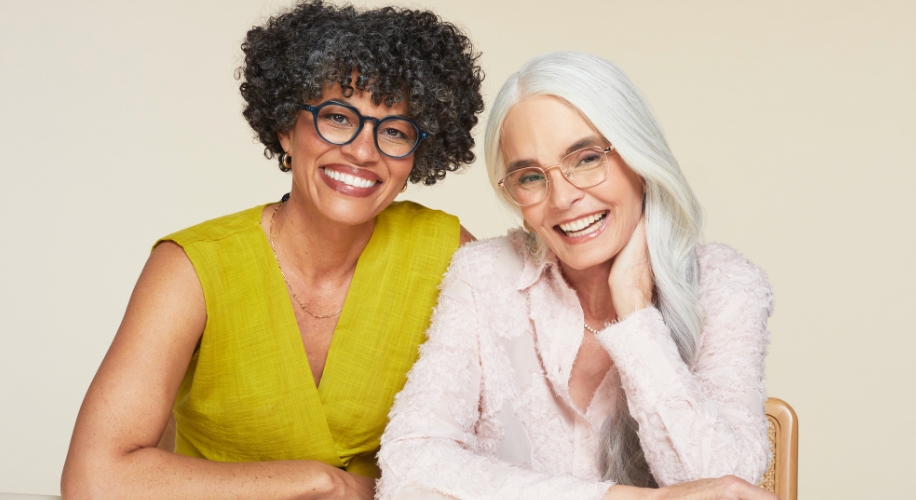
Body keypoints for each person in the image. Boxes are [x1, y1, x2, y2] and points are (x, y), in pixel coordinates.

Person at [60, 2, 483, 499]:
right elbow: (94, 478)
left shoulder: (449, 254)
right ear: (286, 127)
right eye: (337, 117)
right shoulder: (192, 267)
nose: (364, 152)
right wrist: (322, 484)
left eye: (393, 130)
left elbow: (507, 439)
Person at [377, 52, 779, 500]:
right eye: (530, 177)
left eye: (586, 158)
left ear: (638, 157)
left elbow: (725, 485)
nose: (564, 198)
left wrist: (635, 311)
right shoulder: (484, 274)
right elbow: (408, 466)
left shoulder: (726, 285)